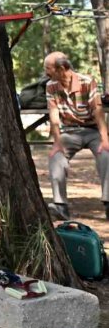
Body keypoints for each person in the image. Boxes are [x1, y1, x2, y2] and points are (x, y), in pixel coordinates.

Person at [44, 52, 109, 221]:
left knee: (106, 155)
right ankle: (61, 206)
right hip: (70, 132)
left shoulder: (87, 81)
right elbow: (54, 114)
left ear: (61, 69)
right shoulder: (51, 86)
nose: (45, 73)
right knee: (56, 157)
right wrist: (57, 142)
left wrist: (105, 138)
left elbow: (97, 110)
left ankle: (108, 202)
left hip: (92, 130)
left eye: (48, 69)